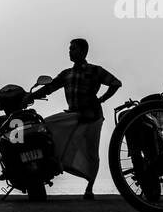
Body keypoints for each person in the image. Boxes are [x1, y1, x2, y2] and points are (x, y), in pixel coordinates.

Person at [30, 38, 122, 199]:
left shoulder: (95, 70)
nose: (70, 51)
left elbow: (115, 83)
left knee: (92, 153)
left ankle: (89, 188)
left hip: (93, 118)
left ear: (83, 52)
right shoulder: (67, 74)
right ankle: (50, 167)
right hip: (73, 116)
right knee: (47, 127)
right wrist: (30, 96)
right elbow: (50, 88)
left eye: (73, 49)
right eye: (70, 49)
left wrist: (102, 99)